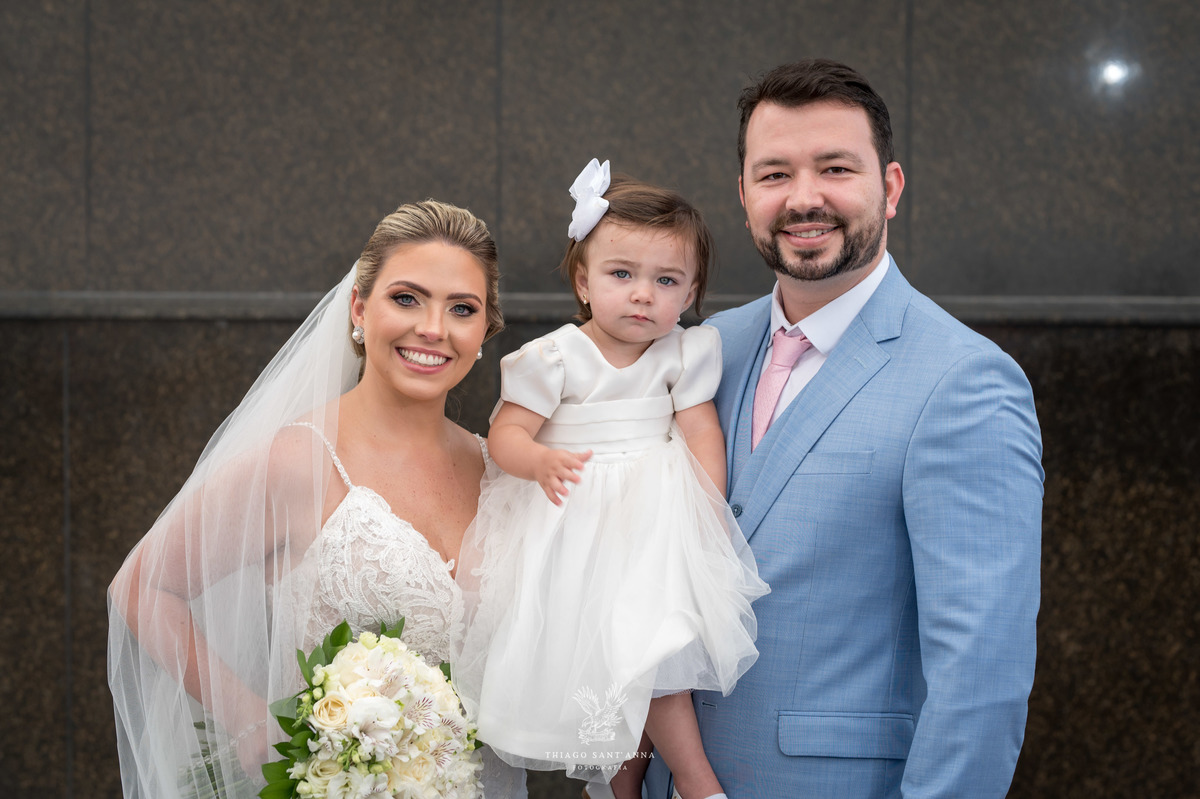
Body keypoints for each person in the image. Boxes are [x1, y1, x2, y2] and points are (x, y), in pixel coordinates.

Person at [644, 59, 1044, 798]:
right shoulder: (705, 350)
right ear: (742, 196)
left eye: (834, 168)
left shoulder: (963, 381)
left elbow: (980, 677)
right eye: (774, 174)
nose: (804, 199)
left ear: (889, 188)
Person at [107, 200, 527, 798]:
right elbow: (142, 587)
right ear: (359, 307)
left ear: (484, 331)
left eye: (462, 308)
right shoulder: (297, 462)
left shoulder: (502, 474)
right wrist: (253, 722)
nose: (433, 328)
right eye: (406, 298)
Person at [453, 161, 769, 799]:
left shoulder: (684, 352)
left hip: (653, 522)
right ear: (584, 280)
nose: (643, 294)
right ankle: (632, 787)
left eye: (666, 280)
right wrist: (539, 460)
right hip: (577, 524)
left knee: (651, 651)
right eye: (622, 275)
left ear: (690, 290)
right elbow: (509, 434)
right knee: (609, 661)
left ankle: (689, 778)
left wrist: (707, 507)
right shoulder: (556, 358)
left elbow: (701, 430)